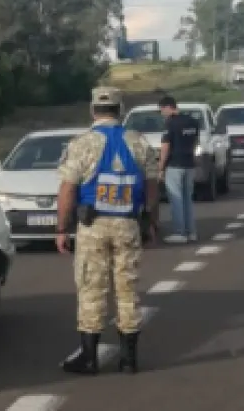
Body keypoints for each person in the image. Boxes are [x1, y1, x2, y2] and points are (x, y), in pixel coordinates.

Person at [55, 86, 159, 376]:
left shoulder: (82, 144)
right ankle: (129, 360)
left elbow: (67, 190)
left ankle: (89, 359)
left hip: (93, 226)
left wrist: (62, 228)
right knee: (127, 290)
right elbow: (152, 186)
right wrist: (150, 221)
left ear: (93, 110)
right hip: (128, 224)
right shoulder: (138, 142)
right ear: (120, 109)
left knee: (91, 289)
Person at [158, 95, 200, 243]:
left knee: (176, 199)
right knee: (187, 199)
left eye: (161, 110)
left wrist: (161, 167)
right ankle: (191, 232)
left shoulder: (170, 123)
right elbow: (195, 143)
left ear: (167, 107)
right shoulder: (193, 122)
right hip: (189, 164)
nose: (162, 113)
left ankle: (179, 232)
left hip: (174, 165)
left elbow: (165, 147)